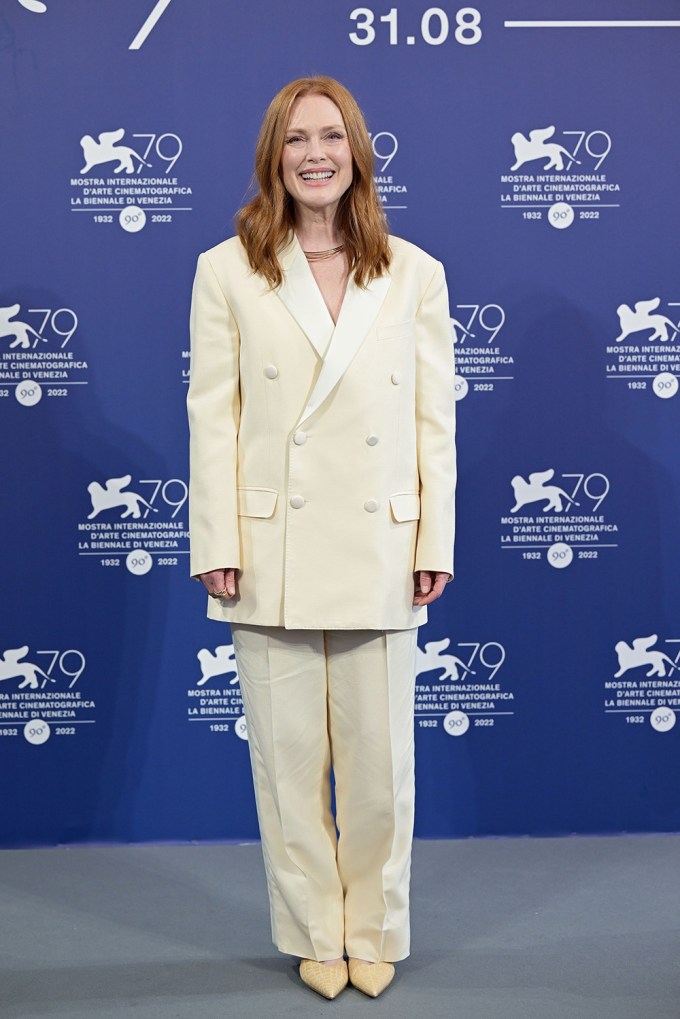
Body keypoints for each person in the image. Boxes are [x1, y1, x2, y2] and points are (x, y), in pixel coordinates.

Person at [187, 75, 456, 999]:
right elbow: (211, 418)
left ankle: (375, 927)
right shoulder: (226, 269)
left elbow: (432, 424)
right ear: (274, 154)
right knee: (289, 765)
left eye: (331, 138)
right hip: (272, 552)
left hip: (381, 546)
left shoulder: (416, 272)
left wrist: (434, 541)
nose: (315, 154)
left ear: (357, 154)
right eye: (298, 138)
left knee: (380, 771)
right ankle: (315, 930)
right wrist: (216, 537)